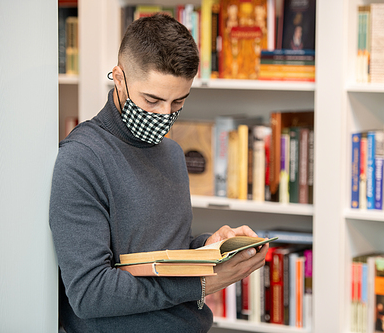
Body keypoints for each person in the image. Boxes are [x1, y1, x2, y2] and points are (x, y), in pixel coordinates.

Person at [49, 13, 269, 333]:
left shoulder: (172, 153)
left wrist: (211, 247)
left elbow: (162, 253)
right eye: (152, 100)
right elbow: (90, 294)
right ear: (119, 78)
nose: (165, 115)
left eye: (178, 101)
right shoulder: (80, 160)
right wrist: (202, 283)